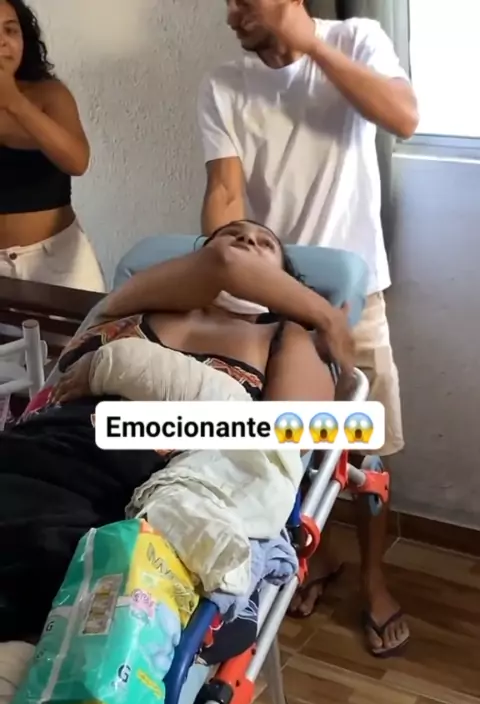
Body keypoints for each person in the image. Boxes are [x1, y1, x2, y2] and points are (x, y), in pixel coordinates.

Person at [197, 0, 419, 656]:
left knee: (367, 452)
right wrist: (225, 268)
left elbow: (403, 117)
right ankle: (314, 557)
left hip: (356, 295)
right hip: (273, 299)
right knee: (288, 444)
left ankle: (374, 578)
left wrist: (315, 48)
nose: (232, 13)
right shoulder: (223, 83)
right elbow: (225, 191)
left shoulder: (357, 38)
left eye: (246, 0)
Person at [0, 219, 340, 644]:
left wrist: (125, 374)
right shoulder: (129, 307)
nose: (245, 240)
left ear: (285, 281)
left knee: (45, 562)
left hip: (135, 486)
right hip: (39, 443)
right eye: (231, 232)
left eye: (265, 244)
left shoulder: (282, 336)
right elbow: (220, 263)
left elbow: (283, 440)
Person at [0, 0, 106, 291]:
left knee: (86, 323)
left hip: (57, 261)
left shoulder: (50, 94)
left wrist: (14, 102)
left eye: (11, 30)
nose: (3, 41)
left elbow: (77, 161)